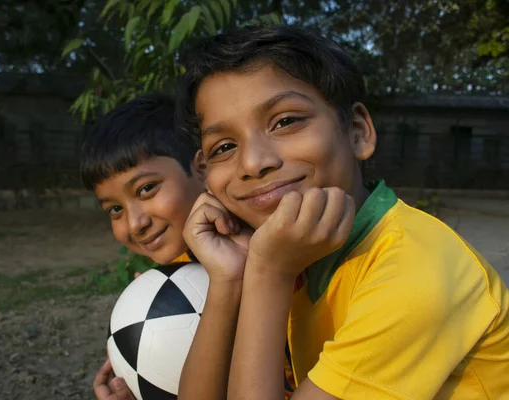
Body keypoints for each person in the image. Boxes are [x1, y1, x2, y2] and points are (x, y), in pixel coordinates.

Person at [177, 24, 509, 399]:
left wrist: (268, 273)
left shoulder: (414, 271)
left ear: (357, 131)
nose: (253, 163)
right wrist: (229, 280)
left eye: (285, 121)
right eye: (224, 146)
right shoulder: (298, 251)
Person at [81, 93, 206, 400]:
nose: (135, 224)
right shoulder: (163, 287)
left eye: (146, 189)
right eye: (115, 210)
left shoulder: (266, 256)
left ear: (202, 169)